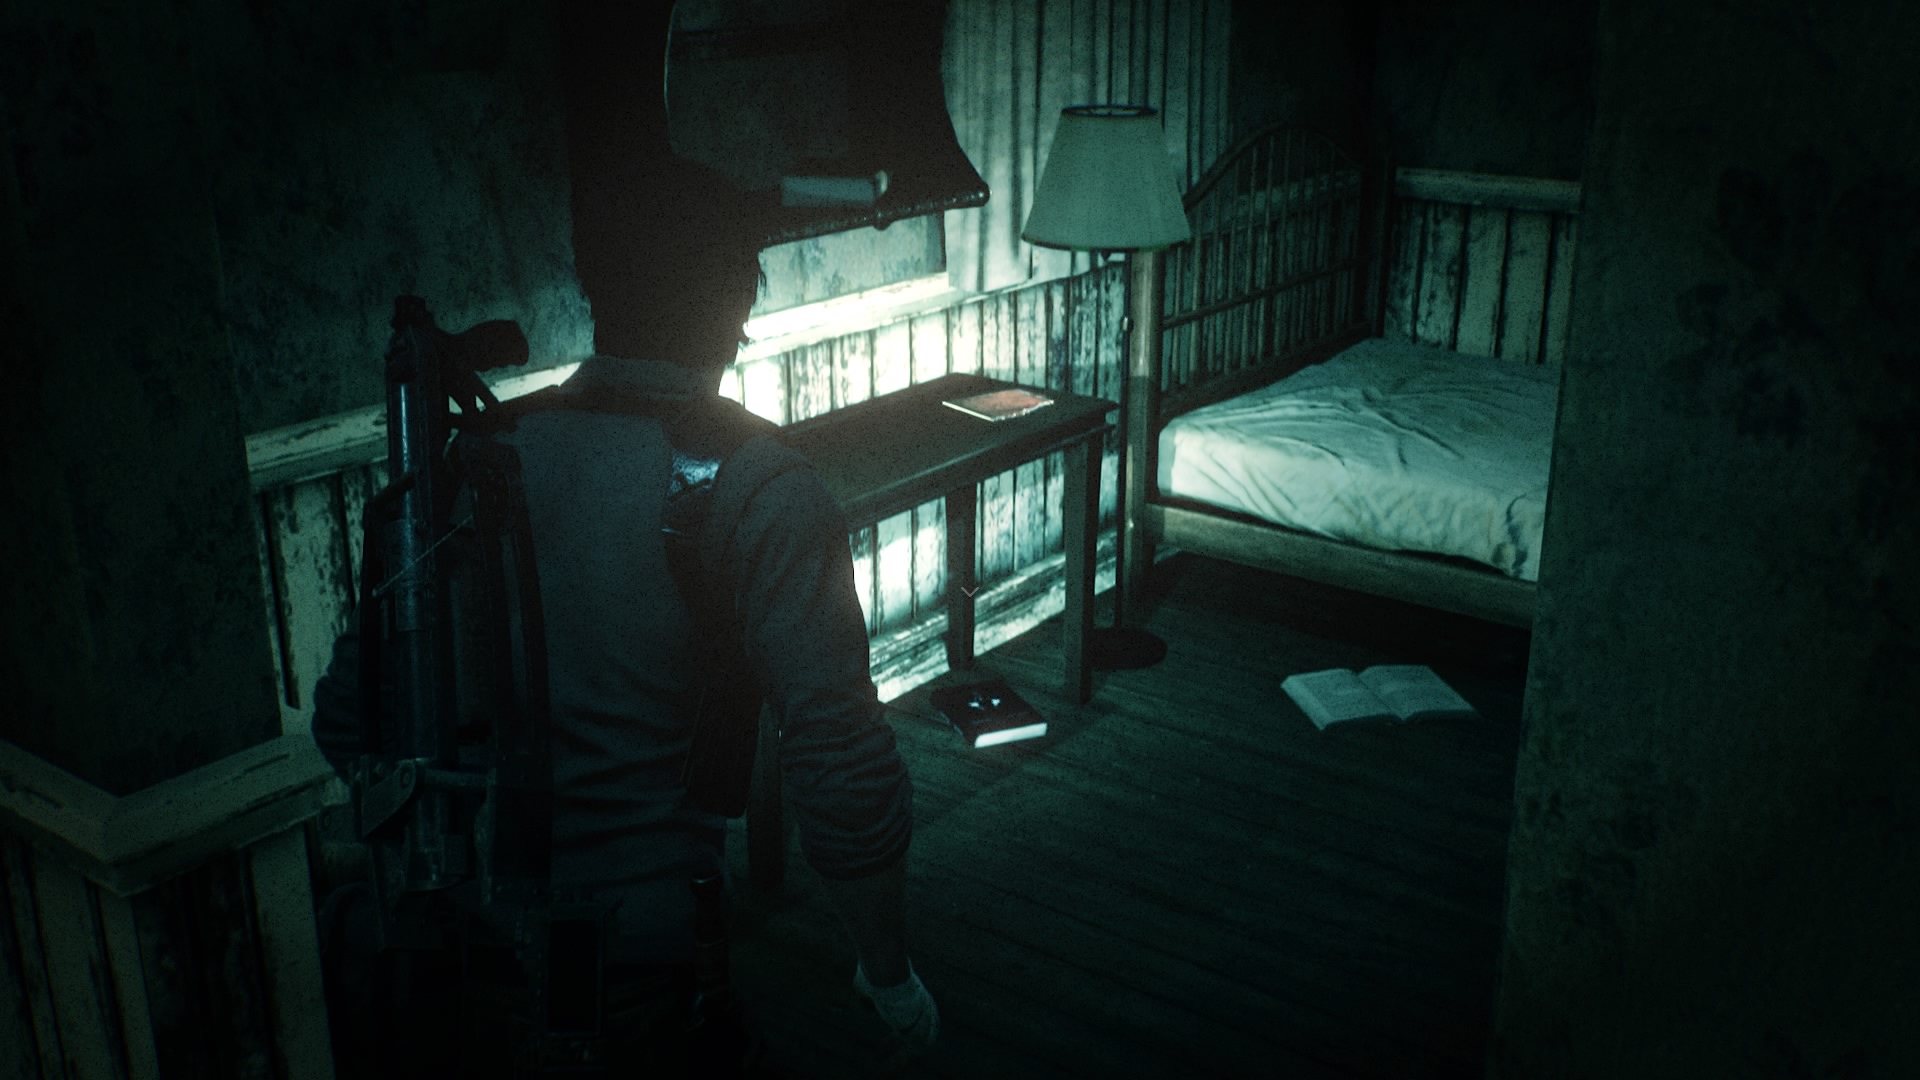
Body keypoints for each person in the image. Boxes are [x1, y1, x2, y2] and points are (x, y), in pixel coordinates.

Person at [308, 160, 938, 1075]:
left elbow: (346, 720)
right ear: (738, 301)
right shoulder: (763, 485)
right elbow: (842, 764)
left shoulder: (479, 458)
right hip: (645, 974)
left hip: (465, 952)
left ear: (595, 289)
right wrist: (890, 977)